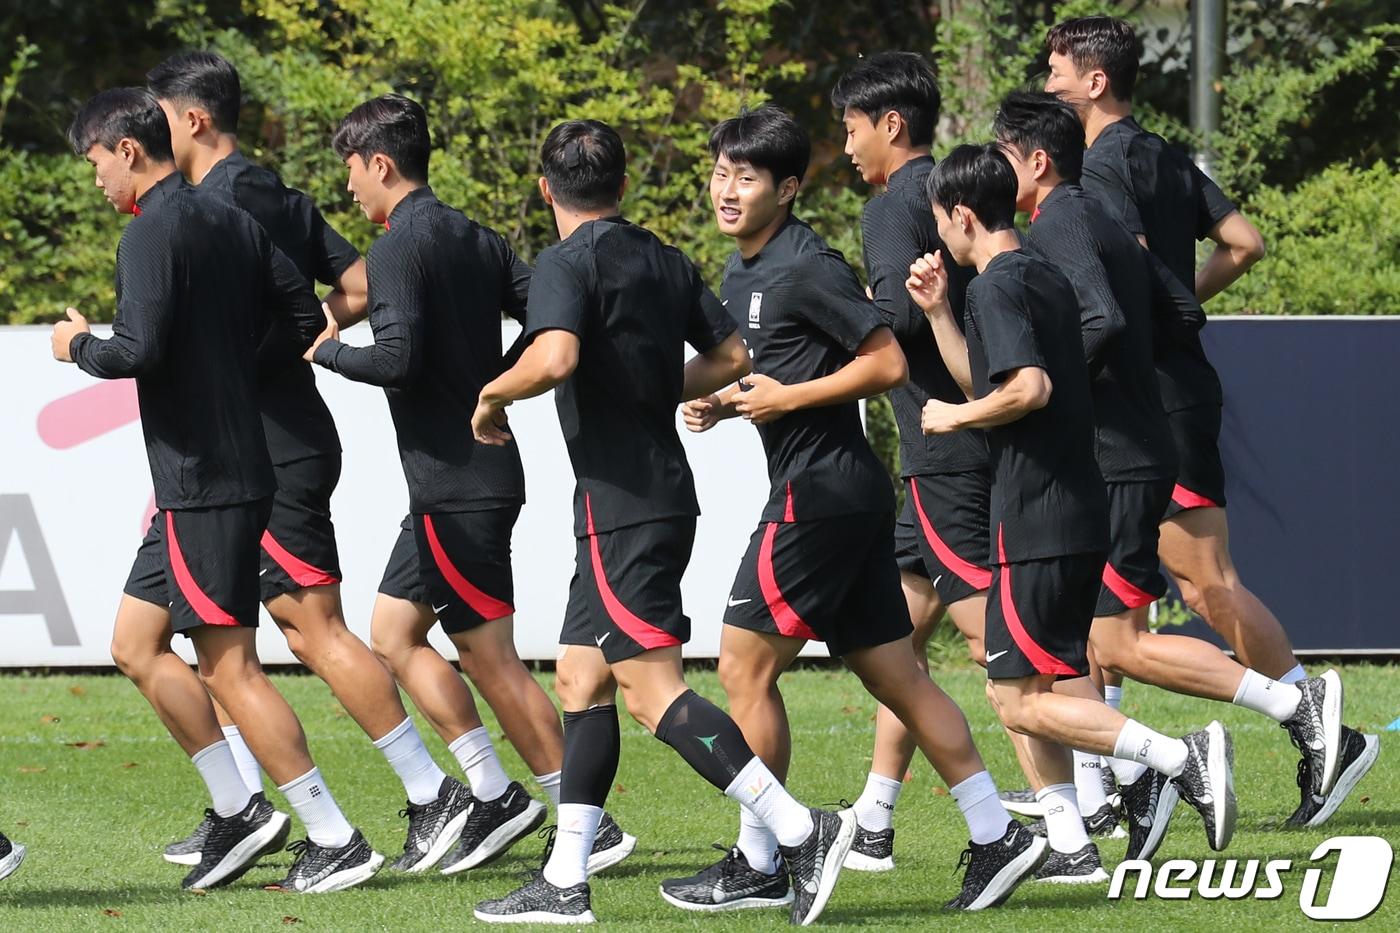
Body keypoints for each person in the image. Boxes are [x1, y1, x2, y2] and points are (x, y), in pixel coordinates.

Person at [470, 118, 850, 927]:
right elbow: (731, 355)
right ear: (622, 186)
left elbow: (556, 357)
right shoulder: (662, 257)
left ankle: (799, 827)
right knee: (579, 677)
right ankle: (566, 878)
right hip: (648, 499)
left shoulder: (562, 264)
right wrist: (650, 389)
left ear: (546, 192)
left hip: (623, 509)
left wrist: (493, 393)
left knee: (652, 693)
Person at [669, 104, 1043, 915]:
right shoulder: (744, 271)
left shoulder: (808, 266)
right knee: (899, 674)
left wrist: (784, 395)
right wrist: (730, 403)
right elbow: (784, 375)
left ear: (789, 187)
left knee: (740, 665)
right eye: (721, 172)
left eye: (748, 177)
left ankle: (765, 855)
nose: (727, 190)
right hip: (843, 492)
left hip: (823, 496)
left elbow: (885, 362)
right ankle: (996, 833)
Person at [993, 89, 1350, 868]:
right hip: (1133, 443)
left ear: (1039, 159)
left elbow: (1109, 318)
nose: (993, 169)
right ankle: (1105, 785)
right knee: (1093, 636)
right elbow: (1178, 306)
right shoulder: (1099, 208)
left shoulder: (1067, 218)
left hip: (1120, 453)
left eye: (1002, 155)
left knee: (1118, 635)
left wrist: (1051, 388)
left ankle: (1283, 711)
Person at [146, 50, 477, 875]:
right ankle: (238, 806)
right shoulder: (245, 191)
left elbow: (351, 289)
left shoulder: (231, 199)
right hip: (218, 455)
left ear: (190, 119)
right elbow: (354, 282)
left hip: (269, 447)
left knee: (309, 624)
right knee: (142, 637)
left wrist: (273, 344)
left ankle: (436, 792)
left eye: (152, 113)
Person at [1044, 14, 1377, 826]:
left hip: (1153, 394)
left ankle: (1314, 718)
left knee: (1202, 582)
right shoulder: (1157, 149)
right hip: (1164, 385)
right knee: (1115, 597)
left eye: (1055, 70)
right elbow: (1244, 241)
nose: (1046, 83)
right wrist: (1179, 303)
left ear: (1094, 82)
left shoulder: (1106, 164)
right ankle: (1111, 782)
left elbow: (1125, 272)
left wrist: (1159, 314)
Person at [53, 87, 382, 893]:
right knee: (135, 643)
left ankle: (335, 836)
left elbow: (137, 348)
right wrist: (229, 362)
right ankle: (240, 811)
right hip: (212, 474)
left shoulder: (151, 233)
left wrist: (75, 345)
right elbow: (303, 312)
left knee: (230, 669)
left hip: (206, 480)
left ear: (128, 150)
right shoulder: (228, 218)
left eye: (94, 161)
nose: (94, 178)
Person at [308, 94, 633, 876]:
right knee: (391, 629)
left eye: (350, 170)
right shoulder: (474, 235)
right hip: (457, 481)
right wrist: (494, 374)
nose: (348, 186)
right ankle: (494, 794)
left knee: (490, 659)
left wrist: (321, 352)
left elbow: (396, 360)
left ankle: (586, 819)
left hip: (461, 483)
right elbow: (546, 314)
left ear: (380, 164)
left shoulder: (394, 249)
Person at [906, 142, 1239, 867]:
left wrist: (951, 420)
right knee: (1036, 684)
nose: (941, 241)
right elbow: (991, 381)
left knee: (1014, 699)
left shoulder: (999, 285)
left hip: (1037, 515)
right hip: (1071, 504)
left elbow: (1027, 389)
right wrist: (937, 314)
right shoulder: (1038, 275)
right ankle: (1067, 839)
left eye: (941, 225)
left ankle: (1177, 755)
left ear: (962, 215)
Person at [828, 51, 994, 872]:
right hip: (949, 452)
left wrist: (816, 310)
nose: (848, 146)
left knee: (1007, 652)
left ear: (891, 125)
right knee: (896, 650)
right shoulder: (948, 194)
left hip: (945, 457)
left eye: (852, 128)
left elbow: (891, 313)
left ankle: (1108, 786)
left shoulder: (895, 205)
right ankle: (875, 819)